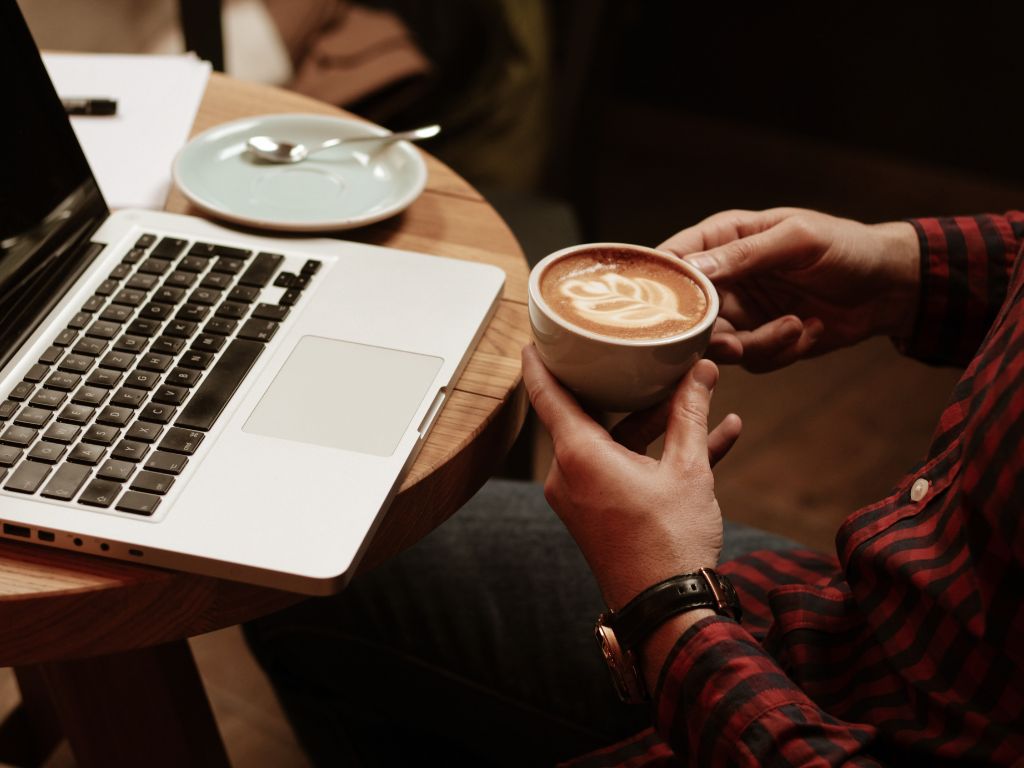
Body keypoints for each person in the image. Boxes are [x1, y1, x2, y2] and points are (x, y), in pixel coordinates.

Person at [245, 207, 1024, 766]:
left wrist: (664, 604)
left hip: (797, 717)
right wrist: (908, 270)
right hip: (855, 620)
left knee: (323, 572)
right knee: (343, 560)